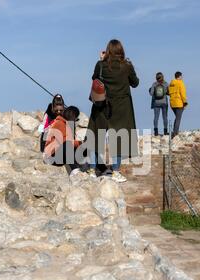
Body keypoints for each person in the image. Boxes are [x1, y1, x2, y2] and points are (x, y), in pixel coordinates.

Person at [86, 39, 139, 183]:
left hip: (102, 104)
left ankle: (91, 169)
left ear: (107, 50)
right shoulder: (126, 66)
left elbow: (94, 79)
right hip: (121, 107)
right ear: (121, 51)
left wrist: (101, 60)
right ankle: (115, 171)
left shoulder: (101, 65)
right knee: (119, 139)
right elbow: (135, 83)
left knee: (97, 135)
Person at [43, 106, 82, 176]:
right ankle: (74, 169)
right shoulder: (59, 123)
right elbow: (64, 141)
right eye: (76, 118)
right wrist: (79, 143)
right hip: (51, 156)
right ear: (73, 116)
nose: (76, 120)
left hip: (59, 155)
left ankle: (83, 168)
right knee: (68, 145)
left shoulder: (67, 125)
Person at [169, 71, 188, 138]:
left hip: (172, 103)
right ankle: (175, 133)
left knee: (177, 117)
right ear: (179, 76)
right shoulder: (180, 83)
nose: (182, 77)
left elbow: (168, 92)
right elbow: (183, 94)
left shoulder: (171, 83)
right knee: (178, 118)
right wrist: (185, 102)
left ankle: (174, 131)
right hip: (179, 103)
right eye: (181, 76)